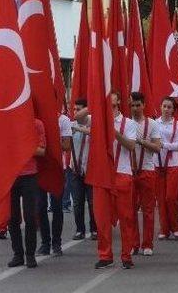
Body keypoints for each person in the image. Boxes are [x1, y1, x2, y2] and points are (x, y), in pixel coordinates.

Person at [94, 91, 138, 269]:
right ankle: (105, 255)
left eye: (112, 104)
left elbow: (131, 145)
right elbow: (79, 118)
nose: (110, 107)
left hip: (122, 173)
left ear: (119, 102)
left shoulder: (129, 123)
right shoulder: (98, 120)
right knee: (102, 218)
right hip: (103, 175)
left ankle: (127, 255)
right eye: (107, 105)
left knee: (126, 218)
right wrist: (96, 107)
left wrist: (114, 131)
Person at [7, 118, 47, 268]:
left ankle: (30, 254)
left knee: (30, 216)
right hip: (10, 176)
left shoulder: (37, 124)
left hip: (29, 175)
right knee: (12, 217)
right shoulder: (8, 123)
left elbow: (42, 151)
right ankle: (18, 254)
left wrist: (23, 145)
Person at [130, 92, 162, 256]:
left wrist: (141, 141)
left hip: (147, 170)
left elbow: (157, 147)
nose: (135, 108)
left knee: (148, 209)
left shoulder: (152, 124)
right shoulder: (126, 123)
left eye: (138, 105)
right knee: (130, 209)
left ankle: (147, 244)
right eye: (132, 105)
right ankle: (134, 243)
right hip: (129, 171)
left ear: (143, 105)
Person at [37, 112, 72, 257]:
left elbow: (67, 145)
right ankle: (45, 243)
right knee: (40, 206)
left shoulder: (63, 120)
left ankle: (56, 243)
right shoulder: (38, 120)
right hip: (40, 168)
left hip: (57, 168)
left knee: (57, 206)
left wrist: (50, 141)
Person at [154, 97, 178, 241]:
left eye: (169, 107)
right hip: (157, 164)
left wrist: (164, 145)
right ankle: (164, 229)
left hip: (173, 164)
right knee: (161, 198)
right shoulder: (154, 123)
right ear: (160, 107)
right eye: (164, 106)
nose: (166, 109)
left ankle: (175, 226)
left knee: (171, 197)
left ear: (173, 110)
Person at [70, 98, 97, 241]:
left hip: (90, 169)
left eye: (79, 109)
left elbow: (96, 133)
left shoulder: (93, 120)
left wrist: (79, 129)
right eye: (74, 109)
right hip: (75, 168)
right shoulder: (71, 124)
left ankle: (94, 229)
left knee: (92, 202)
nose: (76, 112)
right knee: (77, 201)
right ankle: (80, 229)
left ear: (86, 110)